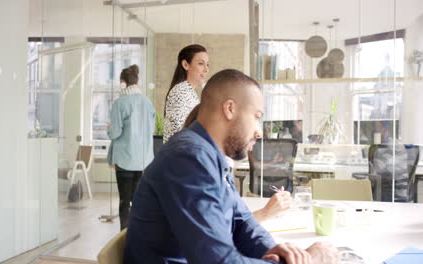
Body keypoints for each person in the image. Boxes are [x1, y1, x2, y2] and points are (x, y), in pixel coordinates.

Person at [124, 69, 338, 263]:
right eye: (256, 117)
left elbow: (242, 222)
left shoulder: (208, 155)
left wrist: (275, 250)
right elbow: (217, 261)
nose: (259, 131)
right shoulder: (189, 157)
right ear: (229, 109)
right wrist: (312, 259)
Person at [183, 104, 292, 222]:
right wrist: (265, 213)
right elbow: (222, 228)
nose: (258, 134)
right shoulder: (197, 172)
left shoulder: (221, 165)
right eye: (253, 120)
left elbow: (231, 219)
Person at [107, 65, 155, 230]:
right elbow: (151, 129)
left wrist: (109, 128)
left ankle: (124, 236)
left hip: (125, 159)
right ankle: (138, 234)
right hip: (143, 159)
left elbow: (114, 133)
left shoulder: (120, 103)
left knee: (124, 201)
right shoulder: (147, 102)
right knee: (138, 200)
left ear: (122, 82)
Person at [163, 44, 209, 143]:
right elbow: (181, 132)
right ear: (185, 65)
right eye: (201, 63)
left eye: (207, 64)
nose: (206, 69)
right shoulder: (180, 92)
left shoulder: (188, 91)